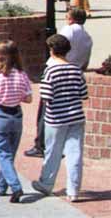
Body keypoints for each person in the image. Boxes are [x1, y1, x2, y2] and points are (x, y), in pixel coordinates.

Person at [24, 7, 93, 159]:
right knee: (67, 111)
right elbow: (86, 62)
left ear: (71, 19)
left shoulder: (68, 30)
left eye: (67, 15)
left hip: (57, 70)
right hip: (74, 73)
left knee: (45, 110)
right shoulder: (88, 37)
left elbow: (56, 44)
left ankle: (41, 145)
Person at [32, 34, 89, 203]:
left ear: (52, 50)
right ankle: (73, 190)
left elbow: (46, 96)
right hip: (76, 116)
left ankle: (46, 183)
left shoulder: (50, 71)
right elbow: (84, 94)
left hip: (56, 118)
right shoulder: (76, 69)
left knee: (53, 152)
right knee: (75, 153)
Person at [0, 41, 32, 203]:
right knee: (9, 154)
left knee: (4, 155)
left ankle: (15, 186)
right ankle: (1, 186)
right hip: (16, 115)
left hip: (0, 115)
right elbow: (29, 98)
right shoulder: (22, 75)